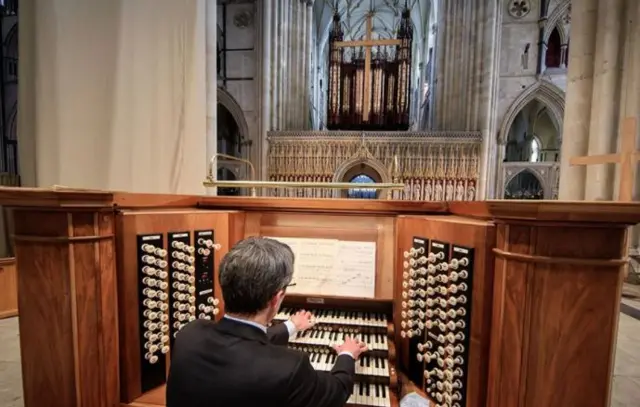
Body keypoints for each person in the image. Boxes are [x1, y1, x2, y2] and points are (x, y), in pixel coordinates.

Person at [166, 236, 368, 407]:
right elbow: (338, 390)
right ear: (276, 298)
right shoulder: (290, 367)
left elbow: (241, 342)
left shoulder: (189, 334)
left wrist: (291, 327)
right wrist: (347, 354)